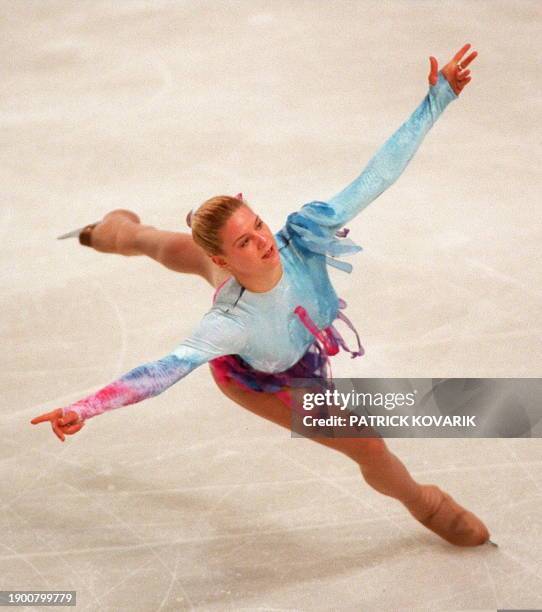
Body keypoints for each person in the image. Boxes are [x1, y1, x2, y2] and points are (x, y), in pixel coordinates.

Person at [32, 44, 491, 547]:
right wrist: (85, 408)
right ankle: (426, 503)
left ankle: (121, 229)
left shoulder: (304, 239)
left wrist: (438, 97)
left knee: (168, 243)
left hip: (271, 318)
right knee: (368, 444)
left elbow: (376, 175)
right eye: (245, 240)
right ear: (225, 260)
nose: (264, 241)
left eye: (258, 226)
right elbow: (161, 372)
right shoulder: (230, 323)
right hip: (258, 377)